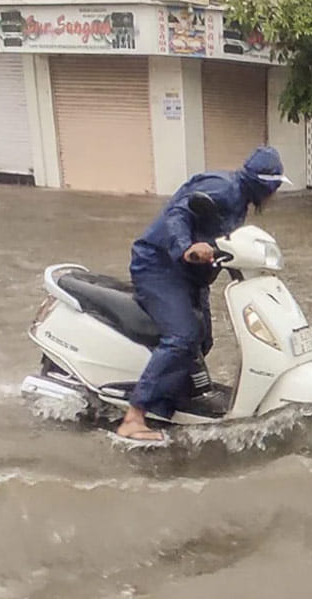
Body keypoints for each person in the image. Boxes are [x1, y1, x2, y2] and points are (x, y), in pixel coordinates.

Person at [116, 146, 288, 442]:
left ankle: (169, 401)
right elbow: (177, 214)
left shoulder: (241, 202)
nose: (274, 196)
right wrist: (186, 247)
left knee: (203, 339)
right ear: (265, 185)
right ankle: (134, 417)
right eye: (274, 188)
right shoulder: (222, 188)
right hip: (159, 267)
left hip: (190, 275)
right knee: (182, 337)